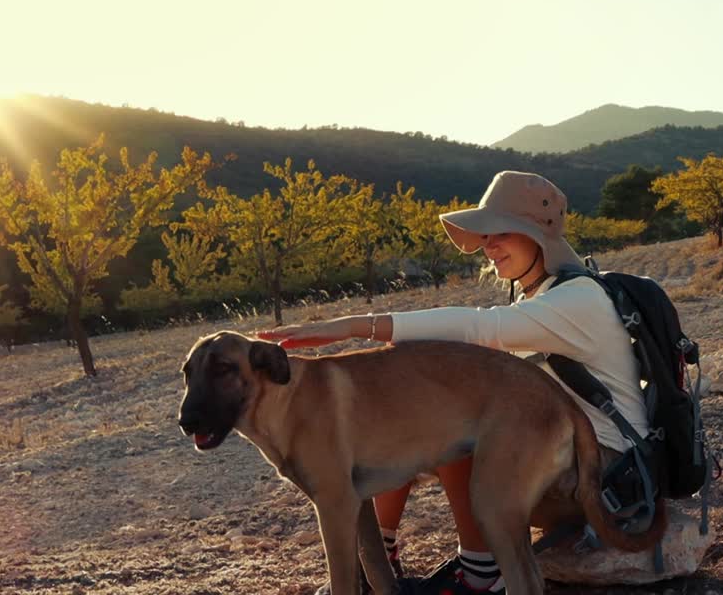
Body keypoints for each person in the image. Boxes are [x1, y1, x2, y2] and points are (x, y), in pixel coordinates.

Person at [259, 171, 648, 595]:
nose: (488, 246)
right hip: (561, 449)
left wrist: (355, 326)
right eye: (485, 236)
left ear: (541, 234)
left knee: (455, 426)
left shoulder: (578, 299)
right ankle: (380, 562)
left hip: (608, 472)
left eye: (502, 233)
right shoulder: (539, 294)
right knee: (400, 414)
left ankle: (481, 575)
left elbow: (477, 328)